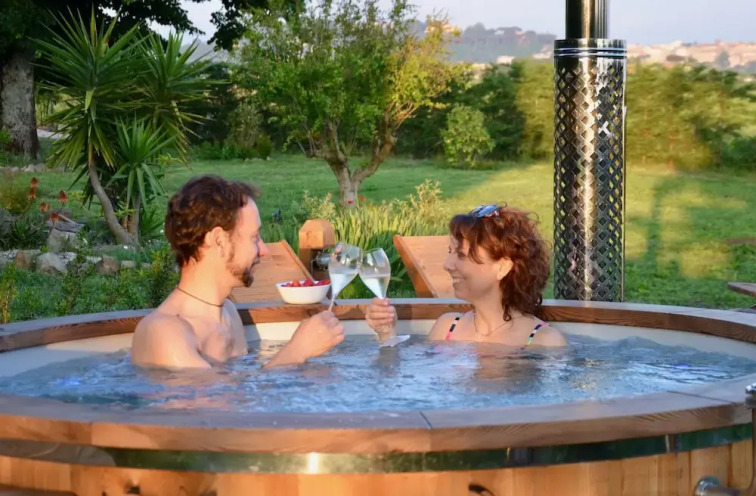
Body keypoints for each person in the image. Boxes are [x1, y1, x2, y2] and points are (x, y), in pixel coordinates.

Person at [131, 175, 345, 370]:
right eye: (254, 237)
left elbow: (239, 390)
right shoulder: (165, 332)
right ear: (219, 240)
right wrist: (297, 352)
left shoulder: (228, 314)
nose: (264, 250)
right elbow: (215, 401)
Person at [366, 204, 567, 348]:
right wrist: (387, 335)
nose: (447, 265)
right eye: (450, 252)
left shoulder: (543, 341)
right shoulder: (447, 329)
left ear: (503, 267)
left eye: (461, 254)